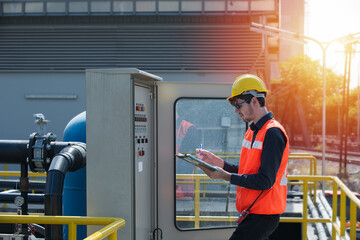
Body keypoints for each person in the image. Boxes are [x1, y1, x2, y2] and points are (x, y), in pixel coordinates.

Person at [196, 74, 289, 240]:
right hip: (253, 213)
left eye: (238, 105)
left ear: (254, 101)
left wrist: (226, 177)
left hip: (263, 216)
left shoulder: (272, 133)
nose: (236, 110)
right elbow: (247, 171)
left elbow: (264, 181)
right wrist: (220, 163)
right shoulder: (253, 131)